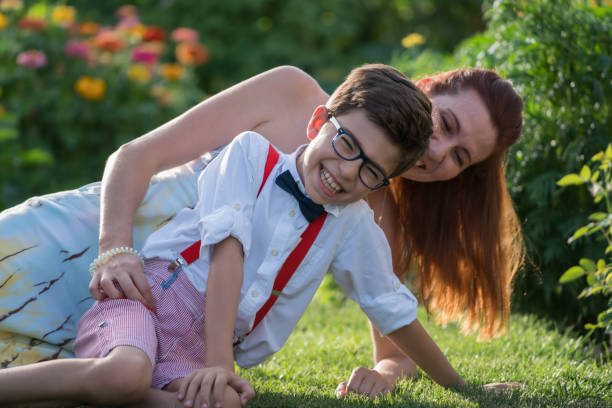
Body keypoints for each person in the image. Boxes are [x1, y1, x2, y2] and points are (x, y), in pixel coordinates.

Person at [0, 65, 524, 399]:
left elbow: (391, 326)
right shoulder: (292, 94)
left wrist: (409, 378)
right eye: (447, 126)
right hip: (93, 248)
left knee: (121, 381)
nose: (437, 153)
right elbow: (136, 156)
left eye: (460, 157)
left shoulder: (365, 214)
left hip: (175, 341)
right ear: (428, 90)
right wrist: (113, 249)